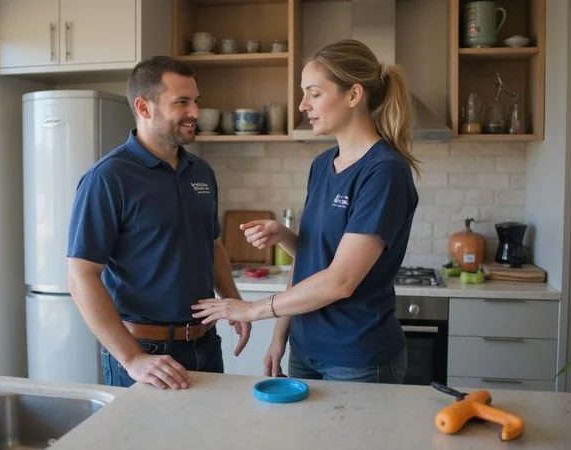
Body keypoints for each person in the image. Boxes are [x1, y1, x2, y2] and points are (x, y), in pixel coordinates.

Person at [193, 39, 420, 383]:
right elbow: (311, 261)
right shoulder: (322, 164)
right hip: (305, 349)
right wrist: (280, 336)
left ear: (354, 95)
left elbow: (341, 281)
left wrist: (253, 310)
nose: (302, 105)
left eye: (314, 93)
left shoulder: (384, 172)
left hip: (356, 357)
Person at [67, 56, 250, 390]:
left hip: (206, 344)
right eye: (182, 102)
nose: (195, 112)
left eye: (196, 101)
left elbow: (211, 244)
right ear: (144, 107)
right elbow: (81, 275)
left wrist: (234, 301)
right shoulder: (108, 178)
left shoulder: (201, 172)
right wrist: (133, 358)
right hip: (145, 352)